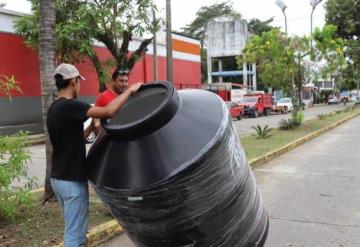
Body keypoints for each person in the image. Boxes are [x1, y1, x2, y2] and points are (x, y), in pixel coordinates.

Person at [47, 63, 142, 247]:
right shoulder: (70, 106)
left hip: (58, 180)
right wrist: (129, 91)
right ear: (73, 81)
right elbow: (108, 111)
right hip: (72, 181)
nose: (79, 86)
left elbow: (72, 141)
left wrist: (91, 126)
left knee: (71, 229)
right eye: (78, 82)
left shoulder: (54, 108)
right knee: (76, 237)